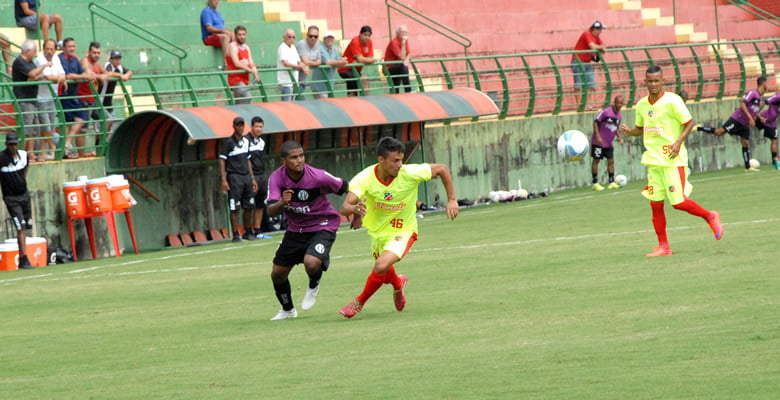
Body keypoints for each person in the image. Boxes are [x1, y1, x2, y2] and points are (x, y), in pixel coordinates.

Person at [338, 137, 459, 318]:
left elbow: (442, 169)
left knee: (380, 266)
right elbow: (345, 205)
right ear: (381, 160)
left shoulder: (409, 173)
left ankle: (359, 302)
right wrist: (355, 211)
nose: (400, 164)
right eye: (395, 160)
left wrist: (452, 199)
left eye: (401, 160)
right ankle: (398, 284)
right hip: (378, 232)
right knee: (384, 270)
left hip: (404, 231)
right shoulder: (365, 178)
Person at [620, 65, 723, 257]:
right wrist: (629, 131)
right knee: (655, 205)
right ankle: (664, 246)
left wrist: (678, 143)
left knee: (678, 202)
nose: (653, 84)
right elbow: (641, 129)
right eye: (649, 81)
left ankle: (710, 216)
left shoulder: (673, 101)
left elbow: (689, 123)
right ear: (645, 82)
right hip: (653, 162)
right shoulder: (642, 105)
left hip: (673, 161)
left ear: (662, 81)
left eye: (656, 81)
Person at [265, 140, 348, 320]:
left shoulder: (317, 176)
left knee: (311, 262)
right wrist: (282, 202)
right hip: (295, 230)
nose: (299, 160)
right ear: (283, 161)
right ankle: (288, 310)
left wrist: (356, 212)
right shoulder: (277, 178)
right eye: (294, 157)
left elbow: (345, 186)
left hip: (322, 225)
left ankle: (314, 284)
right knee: (277, 274)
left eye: (301, 156)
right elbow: (270, 210)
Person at [697, 76, 768, 172]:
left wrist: (760, 117)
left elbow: (753, 110)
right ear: (763, 83)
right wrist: (751, 118)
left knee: (745, 143)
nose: (768, 85)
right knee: (719, 132)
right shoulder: (753, 93)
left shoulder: (759, 96)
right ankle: (699, 128)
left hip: (745, 123)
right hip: (737, 119)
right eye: (767, 83)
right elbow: (743, 104)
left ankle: (747, 167)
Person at [218, 117, 258, 242]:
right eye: (238, 125)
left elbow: (248, 160)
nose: (240, 128)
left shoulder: (246, 141)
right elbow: (221, 160)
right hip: (234, 177)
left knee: (249, 205)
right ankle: (236, 234)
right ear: (234, 126)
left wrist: (252, 178)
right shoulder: (229, 142)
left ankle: (248, 231)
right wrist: (224, 179)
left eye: (242, 125)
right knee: (234, 207)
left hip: (246, 176)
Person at [0, 133, 35, 269]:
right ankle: (24, 258)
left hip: (24, 195)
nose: (13, 147)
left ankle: (23, 257)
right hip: (11, 198)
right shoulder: (2, 158)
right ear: (6, 145)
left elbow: (26, 169)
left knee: (26, 226)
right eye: (11, 144)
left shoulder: (24, 155)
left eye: (15, 144)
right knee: (20, 226)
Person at [58, 37, 96, 159]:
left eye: (73, 46)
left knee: (77, 121)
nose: (72, 49)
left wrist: (87, 75)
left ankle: (67, 146)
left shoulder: (75, 59)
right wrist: (81, 76)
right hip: (64, 94)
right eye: (69, 46)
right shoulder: (60, 58)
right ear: (64, 47)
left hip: (74, 94)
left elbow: (80, 73)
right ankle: (66, 146)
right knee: (75, 121)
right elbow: (68, 75)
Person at [12, 40, 48, 163]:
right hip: (24, 99)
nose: (35, 53)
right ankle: (19, 154)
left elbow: (34, 76)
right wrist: (44, 65)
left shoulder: (30, 62)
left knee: (34, 128)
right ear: (28, 51)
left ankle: (30, 154)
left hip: (32, 99)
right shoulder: (19, 62)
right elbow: (33, 74)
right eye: (34, 51)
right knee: (26, 129)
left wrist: (36, 75)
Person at [35, 38, 66, 161]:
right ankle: (53, 148)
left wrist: (61, 77)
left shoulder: (56, 58)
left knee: (50, 126)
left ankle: (42, 153)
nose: (49, 51)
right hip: (41, 98)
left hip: (52, 97)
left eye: (51, 49)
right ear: (43, 49)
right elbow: (48, 76)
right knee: (46, 126)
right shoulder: (40, 59)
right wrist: (60, 79)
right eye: (47, 48)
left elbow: (62, 73)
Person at [591, 94, 626, 190]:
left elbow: (615, 128)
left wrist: (619, 137)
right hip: (598, 142)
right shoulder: (606, 112)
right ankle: (595, 183)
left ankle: (611, 182)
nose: (620, 105)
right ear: (614, 103)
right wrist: (597, 136)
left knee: (611, 161)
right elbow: (595, 122)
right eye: (618, 103)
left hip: (608, 143)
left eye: (621, 103)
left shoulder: (619, 116)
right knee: (596, 160)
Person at [571, 21, 607, 110]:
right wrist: (600, 47)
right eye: (599, 29)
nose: (600, 32)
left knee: (591, 84)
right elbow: (593, 46)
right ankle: (579, 106)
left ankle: (588, 105)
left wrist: (600, 48)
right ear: (594, 29)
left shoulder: (596, 38)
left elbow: (603, 48)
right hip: (578, 62)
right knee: (578, 84)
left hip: (587, 62)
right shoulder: (587, 34)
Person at [246, 116, 271, 240]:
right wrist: (252, 178)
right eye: (256, 126)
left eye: (260, 127)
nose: (258, 129)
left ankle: (258, 229)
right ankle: (248, 230)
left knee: (260, 204)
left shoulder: (261, 142)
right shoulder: (245, 141)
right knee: (249, 204)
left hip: (262, 175)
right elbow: (247, 160)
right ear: (251, 127)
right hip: (252, 177)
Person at [79, 41, 109, 139]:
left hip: (93, 100)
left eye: (98, 53)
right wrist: (101, 76)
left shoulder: (97, 64)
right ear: (89, 52)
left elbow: (107, 73)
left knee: (108, 119)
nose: (96, 55)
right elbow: (89, 73)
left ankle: (98, 146)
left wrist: (123, 75)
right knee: (83, 129)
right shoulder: (85, 61)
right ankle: (81, 153)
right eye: (94, 52)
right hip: (84, 100)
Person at [338, 25, 377, 96]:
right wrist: (364, 60)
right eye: (365, 35)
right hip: (345, 69)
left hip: (355, 70)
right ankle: (352, 102)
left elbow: (369, 58)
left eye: (369, 35)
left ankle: (365, 100)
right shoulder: (355, 41)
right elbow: (361, 59)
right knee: (355, 84)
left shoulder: (370, 42)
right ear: (360, 34)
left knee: (364, 79)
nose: (367, 37)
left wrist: (363, 60)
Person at [101, 50, 133, 133]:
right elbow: (108, 73)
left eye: (119, 58)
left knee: (114, 124)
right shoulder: (108, 65)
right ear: (111, 59)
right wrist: (120, 75)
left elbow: (130, 71)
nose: (117, 60)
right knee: (102, 127)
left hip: (108, 102)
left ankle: (106, 143)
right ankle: (101, 144)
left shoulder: (119, 68)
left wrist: (126, 75)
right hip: (100, 101)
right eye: (115, 58)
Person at [226, 25, 259, 105]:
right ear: (235, 35)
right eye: (239, 34)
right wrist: (251, 70)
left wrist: (255, 70)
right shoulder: (232, 46)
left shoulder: (246, 47)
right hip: (235, 79)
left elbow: (251, 62)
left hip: (244, 79)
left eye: (244, 34)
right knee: (247, 98)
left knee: (240, 102)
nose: (242, 37)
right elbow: (236, 63)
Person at [312, 31, 347, 99]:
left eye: (331, 38)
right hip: (320, 86)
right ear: (324, 39)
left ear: (334, 40)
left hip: (329, 85)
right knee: (323, 106)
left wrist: (343, 60)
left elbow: (338, 59)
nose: (329, 39)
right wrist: (340, 62)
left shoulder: (334, 49)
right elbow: (327, 62)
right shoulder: (320, 48)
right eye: (327, 38)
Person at [277, 29, 308, 102]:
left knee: (292, 104)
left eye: (293, 37)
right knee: (287, 105)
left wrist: (304, 66)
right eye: (289, 37)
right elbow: (285, 63)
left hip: (294, 82)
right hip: (286, 83)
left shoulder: (293, 47)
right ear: (284, 37)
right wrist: (299, 67)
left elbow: (298, 61)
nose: (291, 39)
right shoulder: (282, 47)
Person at [295, 25, 323, 99]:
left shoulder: (317, 44)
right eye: (311, 36)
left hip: (303, 79)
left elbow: (319, 61)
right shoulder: (302, 44)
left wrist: (310, 62)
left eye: (315, 36)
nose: (313, 38)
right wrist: (314, 62)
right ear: (307, 35)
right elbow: (305, 61)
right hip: (295, 79)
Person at [384, 25, 412, 93]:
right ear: (397, 33)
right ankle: (408, 90)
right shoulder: (394, 42)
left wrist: (407, 59)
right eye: (402, 32)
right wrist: (403, 43)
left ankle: (404, 92)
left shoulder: (404, 41)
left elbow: (409, 54)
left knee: (395, 89)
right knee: (404, 67)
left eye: (405, 32)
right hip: (390, 67)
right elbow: (402, 57)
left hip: (398, 67)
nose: (404, 34)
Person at [756, 89, 780, 169]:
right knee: (774, 140)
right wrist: (755, 113)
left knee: (774, 141)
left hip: (770, 121)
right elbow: (765, 102)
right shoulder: (778, 96)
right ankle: (775, 163)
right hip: (765, 119)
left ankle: (774, 162)